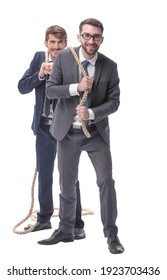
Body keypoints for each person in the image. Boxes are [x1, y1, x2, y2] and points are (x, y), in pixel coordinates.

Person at [38, 18, 124, 254]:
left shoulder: (110, 66)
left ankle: (111, 234)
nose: (91, 40)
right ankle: (66, 230)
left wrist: (92, 113)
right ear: (79, 37)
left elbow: (114, 102)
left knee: (106, 181)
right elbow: (51, 89)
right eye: (87, 35)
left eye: (96, 36)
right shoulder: (65, 57)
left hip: (95, 134)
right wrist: (77, 88)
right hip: (66, 133)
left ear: (101, 40)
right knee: (67, 184)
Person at [17, 25, 85, 239]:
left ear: (66, 44)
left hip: (66, 129)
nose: (56, 47)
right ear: (46, 43)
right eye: (52, 42)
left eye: (60, 42)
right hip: (44, 128)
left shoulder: (74, 60)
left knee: (70, 177)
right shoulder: (38, 58)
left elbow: (80, 90)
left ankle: (76, 223)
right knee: (45, 175)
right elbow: (22, 87)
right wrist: (39, 74)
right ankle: (44, 219)